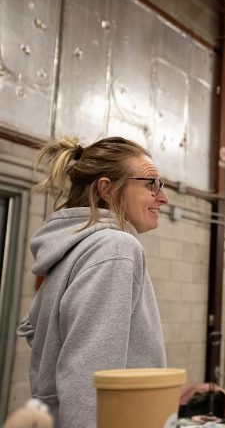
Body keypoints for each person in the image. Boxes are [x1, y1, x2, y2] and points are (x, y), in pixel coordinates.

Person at [16, 137, 169, 428]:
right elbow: (88, 376)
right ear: (107, 189)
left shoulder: (72, 249)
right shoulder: (115, 248)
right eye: (152, 184)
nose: (163, 197)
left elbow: (38, 334)